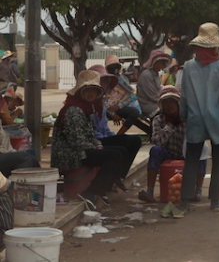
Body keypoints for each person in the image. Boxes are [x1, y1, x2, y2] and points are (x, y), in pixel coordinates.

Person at [178, 23, 219, 212]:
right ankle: (215, 199)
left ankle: (185, 200)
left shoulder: (188, 67)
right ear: (215, 47)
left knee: (191, 160)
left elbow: (184, 95)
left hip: (195, 119)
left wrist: (183, 115)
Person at [51, 70, 128, 205]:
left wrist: (97, 144)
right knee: (114, 155)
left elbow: (89, 135)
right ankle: (92, 192)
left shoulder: (86, 108)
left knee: (121, 151)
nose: (90, 94)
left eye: (94, 91)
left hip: (80, 149)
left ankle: (103, 187)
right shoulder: (74, 110)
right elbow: (76, 141)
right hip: (70, 154)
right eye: (87, 91)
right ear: (80, 92)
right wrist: (96, 147)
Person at [138, 86, 207, 203]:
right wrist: (170, 126)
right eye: (165, 103)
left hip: (187, 152)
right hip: (168, 152)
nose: (169, 106)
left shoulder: (189, 117)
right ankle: (150, 191)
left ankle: (197, 190)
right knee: (155, 150)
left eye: (172, 102)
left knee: (202, 149)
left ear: (178, 103)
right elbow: (157, 140)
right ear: (161, 105)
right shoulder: (158, 119)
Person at [88, 65, 142, 192]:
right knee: (120, 150)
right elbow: (91, 133)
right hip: (93, 141)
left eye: (105, 81)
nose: (105, 84)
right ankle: (105, 185)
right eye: (102, 81)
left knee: (135, 141)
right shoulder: (88, 103)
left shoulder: (101, 102)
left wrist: (115, 137)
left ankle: (118, 177)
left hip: (103, 137)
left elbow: (104, 128)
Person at [136, 49, 172, 118]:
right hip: (148, 105)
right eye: (160, 63)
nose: (161, 65)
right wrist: (165, 101)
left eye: (162, 63)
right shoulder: (147, 75)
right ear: (154, 62)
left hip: (155, 102)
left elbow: (159, 89)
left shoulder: (155, 74)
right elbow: (152, 95)